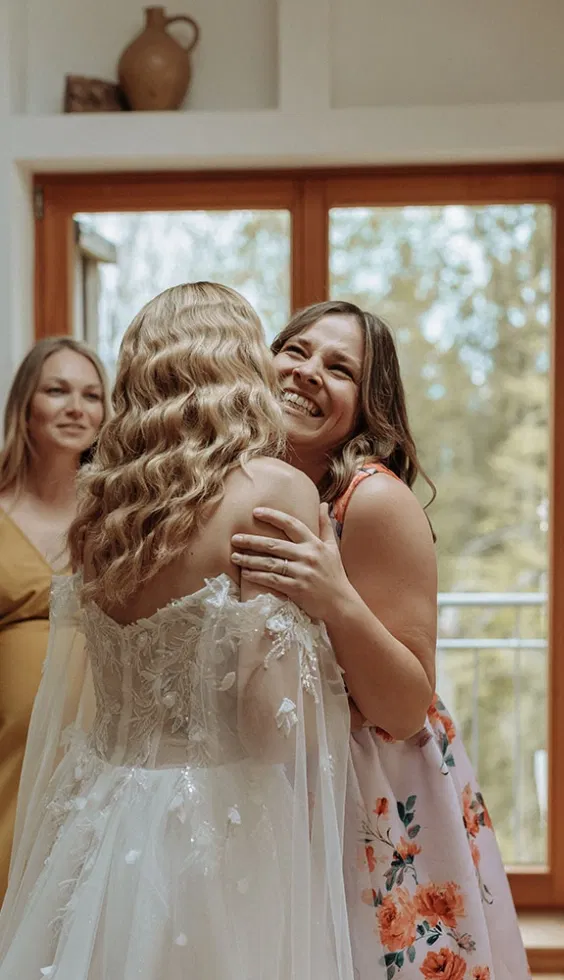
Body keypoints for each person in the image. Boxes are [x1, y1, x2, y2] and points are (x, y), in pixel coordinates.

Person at [0, 284, 353, 980]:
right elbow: (268, 723)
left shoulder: (100, 505)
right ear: (242, 369)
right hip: (214, 825)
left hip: (99, 812)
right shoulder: (275, 490)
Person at [230, 300, 529, 979]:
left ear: (367, 410)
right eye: (297, 352)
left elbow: (403, 707)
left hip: (370, 795)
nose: (308, 374)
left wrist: (334, 596)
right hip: (273, 779)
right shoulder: (242, 485)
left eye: (339, 370)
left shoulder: (371, 501)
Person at [0, 337, 108, 905]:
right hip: (8, 751)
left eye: (91, 395)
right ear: (25, 405)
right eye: (57, 390)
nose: (76, 407)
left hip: (99, 738)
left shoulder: (115, 512)